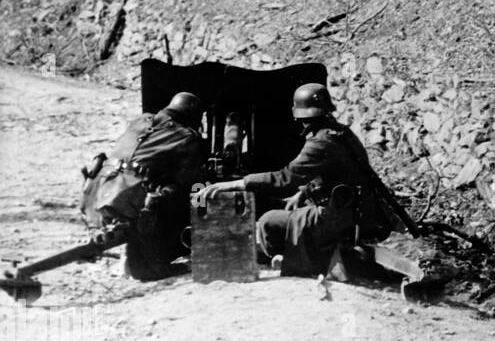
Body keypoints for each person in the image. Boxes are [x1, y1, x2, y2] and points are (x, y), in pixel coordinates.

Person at [198, 83, 388, 276]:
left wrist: (234, 184)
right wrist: (302, 193)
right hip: (355, 209)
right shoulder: (340, 132)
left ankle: (301, 260)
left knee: (268, 222)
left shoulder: (321, 142)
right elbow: (334, 173)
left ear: (300, 116)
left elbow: (285, 177)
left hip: (338, 215)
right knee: (287, 211)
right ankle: (306, 254)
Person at [81, 92, 206, 281]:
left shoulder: (141, 120)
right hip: (130, 201)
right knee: (184, 193)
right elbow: (190, 180)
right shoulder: (186, 136)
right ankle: (158, 263)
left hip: (98, 193)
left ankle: (138, 259)